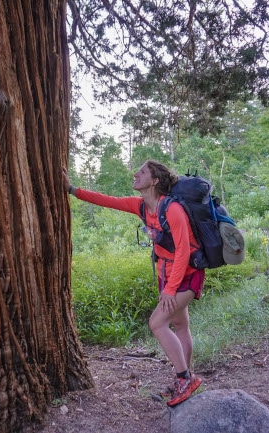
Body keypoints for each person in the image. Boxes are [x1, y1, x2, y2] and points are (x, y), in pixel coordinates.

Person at [64, 160, 203, 407]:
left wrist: (170, 289)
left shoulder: (172, 210)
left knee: (157, 323)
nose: (135, 174)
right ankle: (185, 379)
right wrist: (72, 190)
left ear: (155, 181)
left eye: (142, 172)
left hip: (186, 274)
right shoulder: (141, 207)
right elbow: (106, 200)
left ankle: (185, 378)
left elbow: (183, 251)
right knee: (180, 325)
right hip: (167, 274)